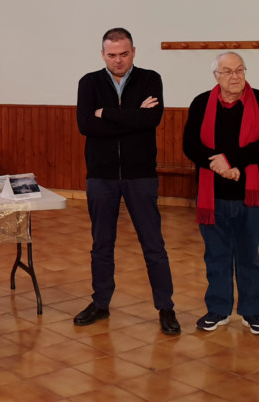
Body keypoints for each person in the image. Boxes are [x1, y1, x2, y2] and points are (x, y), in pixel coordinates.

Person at [74, 28, 180, 335]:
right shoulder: (89, 82)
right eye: (111, 55)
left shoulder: (150, 79)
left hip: (140, 176)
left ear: (133, 52)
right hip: (101, 176)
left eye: (124, 54)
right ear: (102, 54)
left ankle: (166, 307)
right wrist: (133, 117)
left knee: (153, 245)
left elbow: (151, 120)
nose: (118, 60)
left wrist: (105, 113)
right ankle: (100, 303)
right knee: (101, 245)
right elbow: (85, 125)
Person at [182, 52, 259, 335]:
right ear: (216, 76)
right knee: (216, 255)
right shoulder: (201, 103)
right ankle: (218, 309)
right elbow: (191, 145)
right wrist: (221, 167)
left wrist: (230, 161)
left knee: (249, 256)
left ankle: (251, 312)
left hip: (253, 194)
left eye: (239, 70)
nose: (235, 76)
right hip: (213, 194)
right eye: (227, 71)